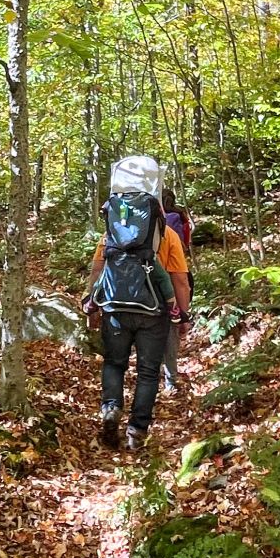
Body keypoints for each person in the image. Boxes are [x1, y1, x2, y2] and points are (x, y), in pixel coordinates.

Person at [84, 156, 190, 452]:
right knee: (147, 371)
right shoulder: (167, 235)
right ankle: (136, 430)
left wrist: (92, 302)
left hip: (114, 307)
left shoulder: (111, 235)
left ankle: (111, 409)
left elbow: (98, 270)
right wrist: (183, 316)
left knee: (114, 363)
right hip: (153, 311)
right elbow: (180, 280)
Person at [159, 187, 193, 390]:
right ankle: (170, 380)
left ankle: (152, 375)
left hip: (147, 283)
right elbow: (186, 242)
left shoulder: (146, 220)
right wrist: (185, 312)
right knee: (172, 327)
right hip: (175, 269)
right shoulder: (179, 216)